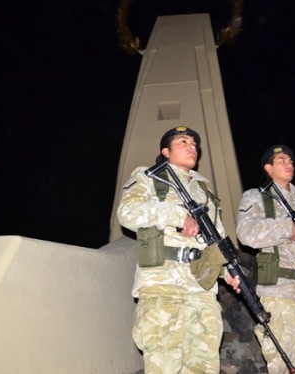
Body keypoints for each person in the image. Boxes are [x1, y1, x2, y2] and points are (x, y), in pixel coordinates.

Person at [117, 126, 240, 374]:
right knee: (165, 366)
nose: (192, 146)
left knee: (204, 367)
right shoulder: (149, 177)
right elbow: (127, 213)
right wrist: (176, 215)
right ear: (166, 151)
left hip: (201, 290)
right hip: (163, 287)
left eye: (194, 142)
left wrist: (229, 272)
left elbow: (217, 239)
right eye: (183, 141)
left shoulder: (204, 190)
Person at [236, 145, 295, 373]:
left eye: (291, 161)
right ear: (268, 168)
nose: (289, 164)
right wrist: (285, 226)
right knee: (284, 363)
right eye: (281, 160)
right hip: (279, 291)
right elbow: (245, 233)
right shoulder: (256, 197)